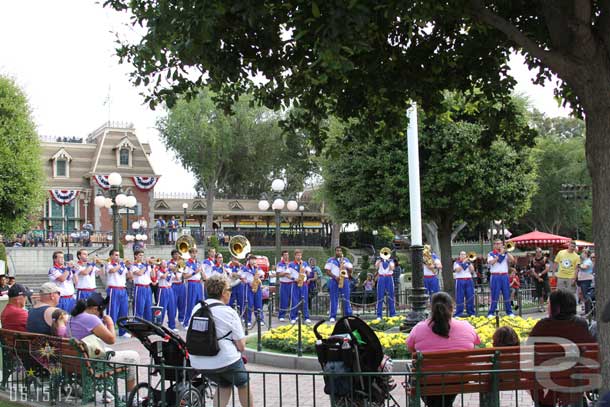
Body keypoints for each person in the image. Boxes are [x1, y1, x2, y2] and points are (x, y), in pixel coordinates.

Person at [188, 274, 253, 407]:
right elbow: (241, 346)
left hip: (198, 360)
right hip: (225, 360)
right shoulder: (228, 311)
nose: (230, 293)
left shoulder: (197, 308)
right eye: (229, 290)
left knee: (224, 383)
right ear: (223, 293)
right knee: (243, 383)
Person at [406, 292, 481, 407]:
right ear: (452, 308)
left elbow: (411, 349)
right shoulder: (466, 327)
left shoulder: (419, 328)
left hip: (428, 381)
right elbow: (475, 345)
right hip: (459, 379)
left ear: (431, 308)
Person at [527, 289, 595, 407]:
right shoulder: (581, 324)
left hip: (547, 380)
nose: (547, 307)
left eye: (549, 304)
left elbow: (529, 351)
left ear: (556, 307)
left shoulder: (542, 326)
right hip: (575, 378)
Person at [67, 292, 140, 394]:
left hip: (77, 360)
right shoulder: (91, 318)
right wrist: (110, 322)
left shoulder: (72, 317)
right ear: (95, 309)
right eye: (101, 312)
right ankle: (131, 395)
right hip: (92, 362)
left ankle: (108, 392)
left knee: (110, 351)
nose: (100, 315)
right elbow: (111, 340)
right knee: (133, 357)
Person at [105, 249, 131, 338]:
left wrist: (129, 268)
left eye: (118, 255)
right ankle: (109, 331)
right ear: (111, 256)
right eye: (115, 255)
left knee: (123, 311)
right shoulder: (109, 264)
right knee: (112, 311)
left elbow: (129, 277)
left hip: (123, 289)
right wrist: (121, 264)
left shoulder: (122, 266)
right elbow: (112, 271)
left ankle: (123, 331)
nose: (117, 257)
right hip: (113, 289)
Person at [324, 246, 353, 322]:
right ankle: (332, 316)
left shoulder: (346, 260)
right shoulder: (330, 260)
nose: (339, 252)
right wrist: (335, 277)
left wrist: (345, 267)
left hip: (345, 280)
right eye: (337, 250)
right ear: (335, 251)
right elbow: (327, 271)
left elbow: (351, 269)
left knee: (346, 298)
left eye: (340, 251)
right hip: (334, 280)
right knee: (333, 298)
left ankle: (348, 315)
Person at [487, 240, 515, 317]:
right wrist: (500, 254)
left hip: (504, 276)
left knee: (506, 294)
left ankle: (509, 312)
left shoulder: (505, 254)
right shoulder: (491, 254)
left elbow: (512, 261)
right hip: (495, 276)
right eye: (496, 244)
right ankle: (491, 312)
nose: (498, 245)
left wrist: (507, 252)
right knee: (495, 294)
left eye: (499, 244)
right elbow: (491, 262)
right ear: (494, 245)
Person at [289, 249, 311, 324]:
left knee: (305, 300)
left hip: (304, 284)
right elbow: (287, 274)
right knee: (294, 300)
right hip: (295, 284)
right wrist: (294, 279)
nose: (299, 257)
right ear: (295, 256)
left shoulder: (304, 263)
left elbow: (308, 273)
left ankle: (306, 317)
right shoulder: (291, 264)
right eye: (297, 255)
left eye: (300, 255)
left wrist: (305, 271)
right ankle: (293, 317)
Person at [183, 247, 204, 327]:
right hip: (191, 284)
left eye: (195, 253)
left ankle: (198, 322)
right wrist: (194, 273)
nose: (194, 254)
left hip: (199, 283)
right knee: (190, 303)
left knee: (200, 303)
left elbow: (202, 274)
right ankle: (187, 323)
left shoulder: (198, 263)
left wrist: (203, 276)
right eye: (192, 253)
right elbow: (184, 276)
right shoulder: (187, 263)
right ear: (190, 254)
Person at [130, 250, 153, 321]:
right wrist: (146, 265)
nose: (142, 257)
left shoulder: (146, 266)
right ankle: (136, 325)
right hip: (139, 288)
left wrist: (152, 266)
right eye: (140, 255)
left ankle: (148, 326)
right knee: (139, 308)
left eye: (142, 255)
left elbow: (153, 275)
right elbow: (139, 273)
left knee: (148, 308)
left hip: (148, 287)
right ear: (135, 256)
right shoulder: (134, 266)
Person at [244, 255, 265, 328]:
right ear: (249, 261)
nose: (253, 261)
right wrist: (248, 282)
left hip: (257, 287)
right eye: (252, 260)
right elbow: (241, 277)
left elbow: (263, 275)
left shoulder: (258, 268)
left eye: (254, 260)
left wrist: (260, 276)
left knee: (258, 303)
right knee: (249, 303)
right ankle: (248, 320)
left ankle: (260, 319)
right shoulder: (245, 268)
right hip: (249, 287)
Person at [453, 251, 476, 317]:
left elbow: (472, 270)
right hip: (460, 280)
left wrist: (469, 263)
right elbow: (458, 270)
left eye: (464, 254)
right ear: (459, 256)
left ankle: (471, 312)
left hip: (468, 280)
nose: (463, 256)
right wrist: (463, 263)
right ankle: (459, 313)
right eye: (462, 254)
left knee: (470, 296)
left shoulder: (468, 262)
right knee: (459, 297)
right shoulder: (456, 263)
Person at [374, 253, 396, 321]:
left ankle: (392, 314)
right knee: (380, 296)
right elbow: (376, 267)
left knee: (391, 296)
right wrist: (380, 260)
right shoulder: (379, 260)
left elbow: (392, 268)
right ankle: (379, 315)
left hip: (389, 278)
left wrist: (388, 261)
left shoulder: (391, 261)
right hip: (381, 278)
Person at [157, 260, 177, 332]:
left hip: (170, 289)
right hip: (162, 289)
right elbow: (163, 276)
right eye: (164, 263)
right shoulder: (159, 271)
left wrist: (175, 271)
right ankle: (159, 325)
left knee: (172, 308)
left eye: (166, 263)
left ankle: (172, 325)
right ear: (161, 265)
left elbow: (176, 278)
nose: (166, 264)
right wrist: (169, 270)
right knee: (162, 308)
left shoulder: (169, 272)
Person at [529, 247, 550, 312]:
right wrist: (538, 277)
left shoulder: (545, 259)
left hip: (544, 278)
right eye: (537, 252)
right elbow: (532, 270)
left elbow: (547, 269)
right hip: (537, 278)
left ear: (541, 252)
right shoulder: (533, 260)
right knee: (539, 293)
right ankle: (541, 306)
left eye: (540, 252)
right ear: (535, 252)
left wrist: (540, 274)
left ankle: (550, 306)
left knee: (548, 291)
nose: (538, 253)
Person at [169, 249, 186, 323]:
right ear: (172, 255)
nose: (177, 255)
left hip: (181, 284)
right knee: (173, 303)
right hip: (174, 285)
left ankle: (181, 318)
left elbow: (183, 271)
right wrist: (179, 264)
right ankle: (172, 320)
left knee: (182, 302)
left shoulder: (182, 262)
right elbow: (175, 269)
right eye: (175, 254)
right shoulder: (170, 263)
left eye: (178, 254)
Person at [276, 250, 292, 322]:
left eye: (287, 255)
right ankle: (281, 315)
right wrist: (286, 273)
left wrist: (285, 273)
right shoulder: (280, 264)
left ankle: (292, 315)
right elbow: (279, 274)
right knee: (284, 300)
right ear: (282, 256)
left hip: (291, 283)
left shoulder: (291, 263)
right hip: (284, 284)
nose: (286, 256)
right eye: (285, 255)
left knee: (293, 300)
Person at [577, 248, 594, 315]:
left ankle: (588, 311)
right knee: (584, 295)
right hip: (583, 280)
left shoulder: (588, 261)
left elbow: (585, 267)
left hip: (586, 280)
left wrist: (578, 265)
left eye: (583, 253)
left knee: (586, 295)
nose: (581, 254)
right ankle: (587, 310)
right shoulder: (584, 261)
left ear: (586, 254)